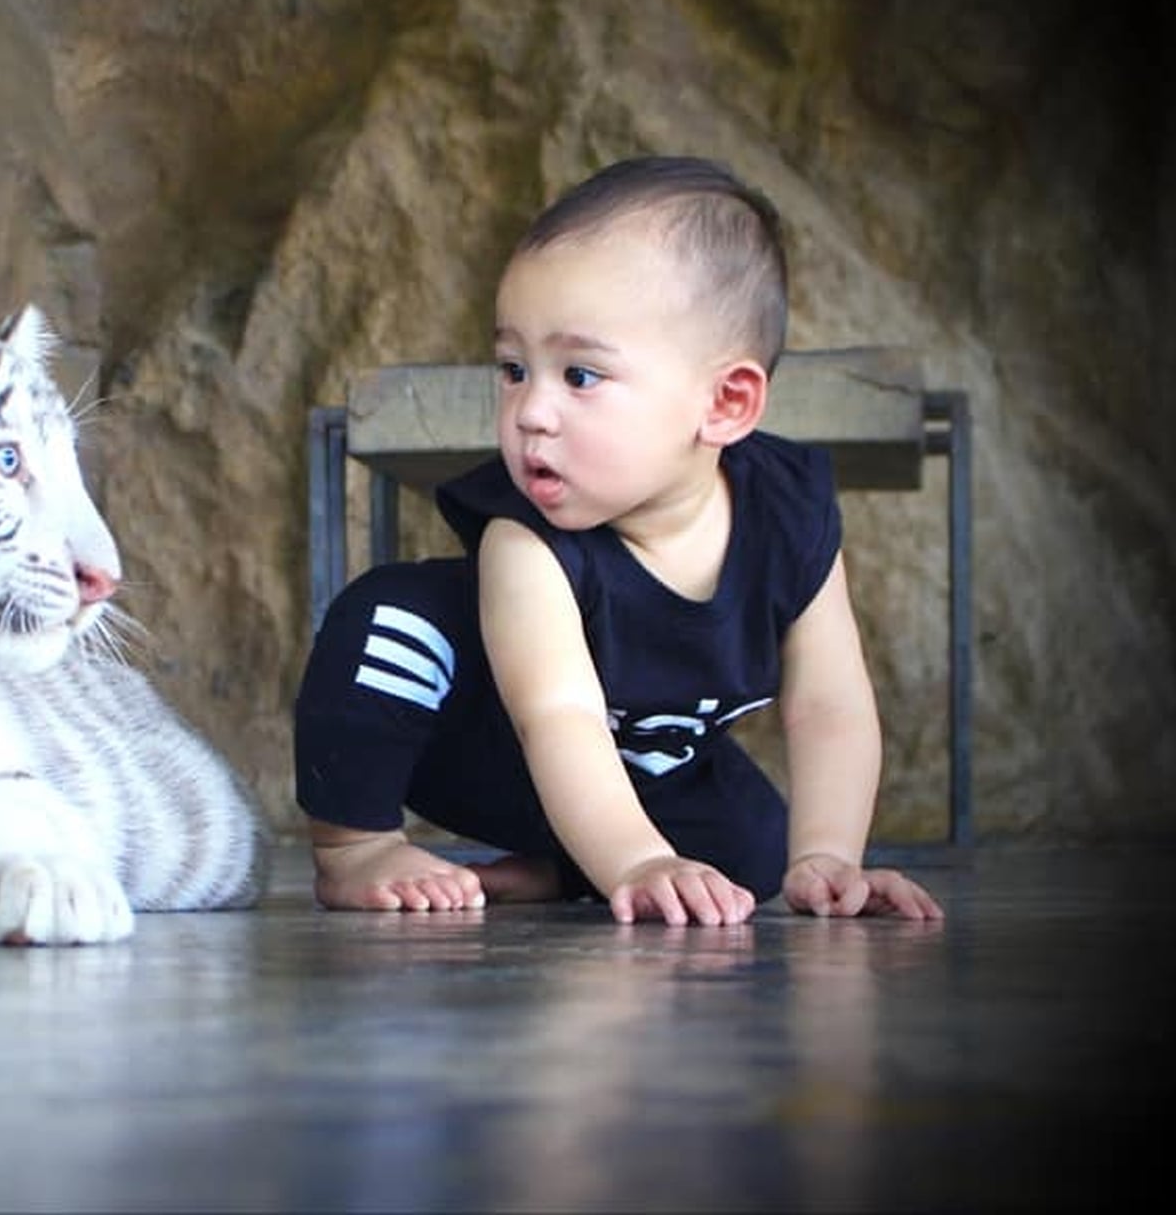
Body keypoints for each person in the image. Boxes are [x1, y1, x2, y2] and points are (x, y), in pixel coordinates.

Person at [293, 155, 943, 925]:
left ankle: (564, 870)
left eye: (580, 376)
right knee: (390, 619)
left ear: (725, 403)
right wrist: (638, 860)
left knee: (755, 846)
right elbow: (558, 714)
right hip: (483, 749)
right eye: (513, 368)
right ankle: (356, 848)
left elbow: (829, 703)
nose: (531, 412)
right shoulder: (526, 538)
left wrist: (829, 855)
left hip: (637, 776)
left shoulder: (788, 514)